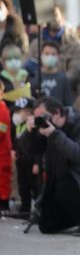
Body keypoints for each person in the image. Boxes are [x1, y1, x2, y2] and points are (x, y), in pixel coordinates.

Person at [20, 96, 80, 235]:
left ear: (58, 113)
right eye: (38, 117)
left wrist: (55, 134)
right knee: (46, 226)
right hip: (64, 181)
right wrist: (29, 132)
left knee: (64, 185)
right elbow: (32, 151)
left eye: (44, 116)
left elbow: (78, 154)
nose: (41, 120)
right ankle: (78, 219)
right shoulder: (47, 126)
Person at [27, 5, 80, 98]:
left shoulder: (74, 44)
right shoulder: (36, 44)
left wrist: (59, 81)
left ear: (62, 17)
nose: (54, 18)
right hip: (41, 94)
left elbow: (77, 69)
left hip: (66, 94)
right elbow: (29, 67)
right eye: (50, 15)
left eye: (55, 15)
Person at [35, 41, 73, 106]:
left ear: (58, 56)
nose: (50, 57)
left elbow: (68, 103)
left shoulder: (63, 79)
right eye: (47, 53)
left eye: (53, 54)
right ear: (41, 55)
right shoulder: (34, 76)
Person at [0, 81, 12, 211]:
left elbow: (1, 131)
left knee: (2, 179)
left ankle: (4, 203)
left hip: (2, 153)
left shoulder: (2, 109)